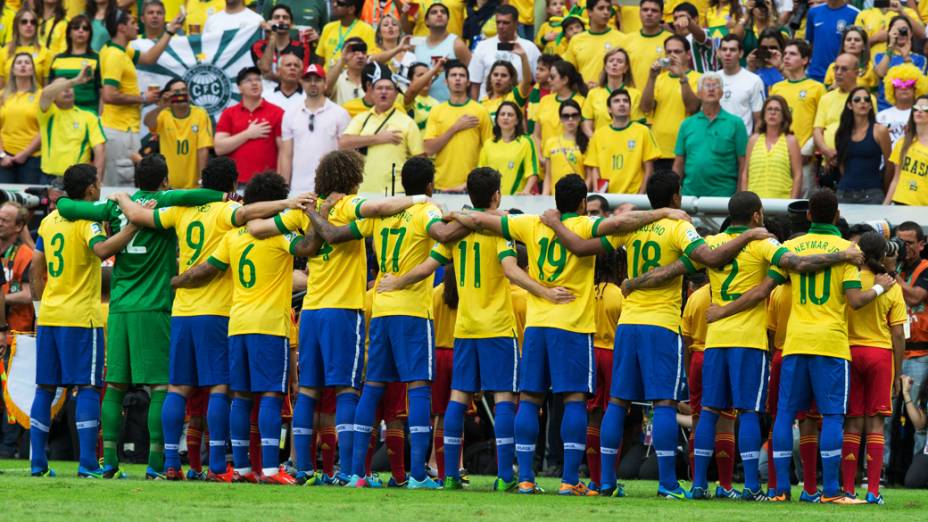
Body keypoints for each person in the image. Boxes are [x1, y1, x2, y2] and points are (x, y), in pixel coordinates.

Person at [451, 174, 686, 496]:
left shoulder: (531, 224)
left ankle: (525, 479)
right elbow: (621, 223)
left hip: (536, 325)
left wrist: (451, 214)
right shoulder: (584, 226)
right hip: (572, 325)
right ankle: (569, 480)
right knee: (573, 399)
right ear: (580, 203)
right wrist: (662, 213)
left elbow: (477, 217)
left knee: (530, 400)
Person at [539, 171, 765, 499]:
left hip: (628, 323)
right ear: (676, 197)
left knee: (617, 402)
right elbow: (713, 258)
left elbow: (580, 246)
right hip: (660, 325)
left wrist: (556, 224)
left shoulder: (633, 225)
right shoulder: (678, 225)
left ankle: (605, 481)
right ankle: (668, 484)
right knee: (663, 403)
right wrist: (749, 235)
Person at [111, 156, 310, 481]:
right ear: (233, 186)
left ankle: (171, 464)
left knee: (177, 388)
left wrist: (121, 197)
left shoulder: (181, 210)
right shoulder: (227, 213)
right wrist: (289, 203)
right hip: (218, 313)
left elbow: (136, 215)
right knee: (221, 388)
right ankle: (218, 465)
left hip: (182, 312)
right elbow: (247, 213)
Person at [377, 167, 576, 490]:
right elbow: (511, 270)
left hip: (465, 327)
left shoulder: (457, 230)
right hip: (496, 327)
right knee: (503, 399)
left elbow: (429, 265)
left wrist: (397, 280)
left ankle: (450, 475)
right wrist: (544, 291)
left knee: (458, 397)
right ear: (496, 195)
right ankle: (505, 476)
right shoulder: (497, 231)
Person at [248, 149, 422, 484]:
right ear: (353, 177)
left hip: (310, 311)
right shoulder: (348, 205)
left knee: (309, 392)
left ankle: (304, 469)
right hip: (343, 312)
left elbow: (256, 229)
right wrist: (421, 197)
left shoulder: (303, 212)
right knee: (345, 391)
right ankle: (350, 471)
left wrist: (292, 206)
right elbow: (383, 207)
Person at [714, 189, 892, 503]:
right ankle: (832, 492)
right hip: (830, 343)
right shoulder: (848, 250)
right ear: (836, 215)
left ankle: (780, 489)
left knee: (785, 415)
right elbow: (854, 300)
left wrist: (723, 311)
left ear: (808, 214)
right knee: (833, 416)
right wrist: (880, 287)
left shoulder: (790, 247)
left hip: (794, 342)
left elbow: (764, 289)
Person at [55, 155, 227, 479]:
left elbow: (65, 208)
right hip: (154, 307)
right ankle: (156, 463)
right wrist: (210, 195)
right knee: (161, 386)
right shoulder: (165, 201)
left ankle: (109, 463)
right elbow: (208, 195)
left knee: (115, 386)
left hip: (119, 308)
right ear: (165, 180)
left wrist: (119, 198)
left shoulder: (116, 206)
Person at [306, 156, 469, 489]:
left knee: (373, 387)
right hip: (411, 311)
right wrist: (471, 218)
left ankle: (356, 473)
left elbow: (335, 235)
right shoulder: (427, 211)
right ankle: (420, 476)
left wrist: (314, 213)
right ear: (428, 186)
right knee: (418, 388)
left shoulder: (381, 215)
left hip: (380, 308)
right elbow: (442, 233)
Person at [169, 172, 318, 484]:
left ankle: (240, 468)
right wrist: (312, 215)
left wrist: (178, 280)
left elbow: (206, 270)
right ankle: (269, 470)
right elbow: (309, 249)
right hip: (269, 325)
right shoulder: (279, 235)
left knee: (242, 397)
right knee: (270, 396)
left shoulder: (232, 238)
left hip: (237, 324)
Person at [28, 164, 137, 479]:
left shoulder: (49, 221)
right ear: (91, 188)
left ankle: (38, 463)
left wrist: (39, 307)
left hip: (49, 315)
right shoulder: (87, 219)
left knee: (45, 388)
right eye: (98, 182)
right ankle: (89, 463)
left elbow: (36, 265)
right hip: (81, 318)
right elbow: (102, 250)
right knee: (88, 387)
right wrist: (132, 228)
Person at [842, 231, 907, 504]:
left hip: (849, 352)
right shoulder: (892, 286)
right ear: (883, 256)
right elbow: (898, 334)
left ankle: (847, 489)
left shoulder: (849, 280)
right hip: (879, 354)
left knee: (853, 423)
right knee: (876, 424)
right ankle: (873, 491)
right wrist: (897, 370)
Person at [100, 8, 183, 186]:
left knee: (126, 183)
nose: (137, 27)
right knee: (118, 187)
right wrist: (143, 98)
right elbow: (108, 94)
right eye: (133, 23)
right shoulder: (115, 56)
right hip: (119, 130)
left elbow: (148, 58)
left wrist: (169, 32)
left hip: (124, 129)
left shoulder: (119, 50)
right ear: (121, 28)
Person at [340, 62, 423, 194]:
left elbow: (420, 160)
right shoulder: (361, 118)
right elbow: (344, 143)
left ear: (396, 94)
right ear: (371, 92)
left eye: (389, 88)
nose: (383, 91)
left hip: (396, 191)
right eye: (379, 88)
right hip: (362, 190)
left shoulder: (407, 122)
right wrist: (378, 138)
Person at [673, 72, 748, 197]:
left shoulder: (736, 123)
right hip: (689, 194)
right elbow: (678, 163)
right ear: (699, 93)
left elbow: (743, 164)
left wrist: (739, 196)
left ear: (722, 93)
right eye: (707, 85)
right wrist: (674, 194)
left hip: (724, 196)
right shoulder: (686, 124)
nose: (712, 89)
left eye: (716, 86)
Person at [280, 63, 350, 194]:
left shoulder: (340, 113)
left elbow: (345, 152)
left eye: (317, 80)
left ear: (325, 83)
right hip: (298, 188)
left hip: (331, 187)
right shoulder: (290, 113)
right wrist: (284, 188)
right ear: (302, 83)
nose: (313, 83)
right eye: (308, 80)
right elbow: (286, 154)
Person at [424, 60, 492, 192]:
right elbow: (428, 149)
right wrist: (455, 128)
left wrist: (479, 180)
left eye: (462, 75)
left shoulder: (480, 110)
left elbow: (489, 150)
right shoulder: (436, 110)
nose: (457, 79)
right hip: (440, 185)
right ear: (446, 81)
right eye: (453, 75)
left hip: (471, 186)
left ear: (468, 82)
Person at [770, 39, 825, 197]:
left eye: (792, 54)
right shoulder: (777, 88)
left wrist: (808, 150)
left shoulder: (817, 88)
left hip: (805, 157)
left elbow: (821, 123)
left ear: (805, 60)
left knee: (802, 203)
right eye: (785, 53)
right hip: (779, 155)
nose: (786, 57)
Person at [214, 66, 285, 185]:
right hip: (235, 184)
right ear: (239, 88)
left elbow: (284, 150)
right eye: (248, 80)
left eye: (257, 79)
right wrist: (248, 134)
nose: (254, 83)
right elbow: (219, 148)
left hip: (268, 183)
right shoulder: (229, 113)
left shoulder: (277, 112)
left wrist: (281, 181)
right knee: (236, 204)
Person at [640, 35, 700, 172]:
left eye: (677, 52)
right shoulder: (659, 79)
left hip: (686, 149)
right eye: (669, 52)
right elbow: (645, 107)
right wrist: (651, 77)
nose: (672, 55)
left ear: (689, 55)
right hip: (659, 149)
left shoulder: (698, 78)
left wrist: (682, 77)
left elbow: (692, 107)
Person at [585, 89, 660, 194]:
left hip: (634, 196)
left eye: (625, 101)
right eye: (617, 101)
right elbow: (595, 169)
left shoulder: (643, 131)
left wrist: (640, 196)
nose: (622, 104)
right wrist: (600, 195)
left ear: (630, 108)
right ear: (609, 109)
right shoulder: (598, 134)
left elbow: (649, 168)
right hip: (607, 197)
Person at [894, 221, 928, 455]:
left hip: (920, 354)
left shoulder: (925, 268)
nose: (904, 248)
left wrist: (890, 275)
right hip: (893, 352)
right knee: (884, 415)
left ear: (922, 244)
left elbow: (916, 298)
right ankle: (881, 471)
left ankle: (920, 467)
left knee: (918, 416)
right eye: (900, 242)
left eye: (909, 243)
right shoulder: (894, 268)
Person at [142, 79, 213, 189]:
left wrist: (201, 180)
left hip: (194, 186)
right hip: (168, 186)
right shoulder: (164, 114)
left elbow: (203, 149)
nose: (181, 94)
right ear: (168, 95)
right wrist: (162, 106)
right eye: (176, 92)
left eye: (184, 90)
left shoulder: (200, 114)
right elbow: (147, 122)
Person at [38, 71, 106, 180]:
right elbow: (45, 94)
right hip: (50, 178)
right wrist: (75, 81)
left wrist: (96, 179)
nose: (67, 89)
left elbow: (99, 150)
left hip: (79, 178)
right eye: (61, 87)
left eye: (70, 86)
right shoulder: (47, 113)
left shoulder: (89, 116)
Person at [833, 86, 892, 204]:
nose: (862, 102)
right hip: (843, 193)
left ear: (871, 105)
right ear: (850, 105)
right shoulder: (842, 133)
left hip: (872, 194)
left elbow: (889, 166)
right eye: (857, 100)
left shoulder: (880, 130)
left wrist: (884, 191)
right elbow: (841, 165)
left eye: (867, 99)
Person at [468, 5, 539, 101]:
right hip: (487, 107)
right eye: (498, 22)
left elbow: (540, 81)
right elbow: (475, 83)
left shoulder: (529, 48)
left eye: (506, 23)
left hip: (516, 107)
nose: (501, 26)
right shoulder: (482, 47)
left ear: (516, 23)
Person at [743, 95, 803, 199]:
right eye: (769, 109)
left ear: (784, 115)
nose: (772, 113)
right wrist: (744, 200)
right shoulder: (753, 140)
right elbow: (745, 174)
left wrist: (791, 203)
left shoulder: (791, 141)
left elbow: (798, 175)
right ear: (764, 114)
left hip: (782, 203)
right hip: (754, 203)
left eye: (777, 110)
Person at [410, 2, 470, 103]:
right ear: (426, 21)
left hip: (450, 104)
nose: (439, 14)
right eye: (434, 12)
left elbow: (472, 74)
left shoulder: (457, 44)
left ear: (448, 19)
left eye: (443, 12)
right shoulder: (417, 45)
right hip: (422, 105)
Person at [477, 101, 539, 194]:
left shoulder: (526, 142)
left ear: (517, 120)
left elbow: (533, 173)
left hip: (516, 199)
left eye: (510, 115)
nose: (505, 117)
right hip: (492, 200)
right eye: (502, 114)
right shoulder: (488, 143)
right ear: (497, 119)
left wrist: (526, 191)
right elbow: (480, 173)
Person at [562, 0, 626, 88]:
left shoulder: (622, 39)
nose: (606, 12)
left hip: (612, 97)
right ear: (589, 12)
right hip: (584, 97)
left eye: (608, 8)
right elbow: (568, 75)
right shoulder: (576, 40)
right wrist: (583, 86)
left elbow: (627, 74)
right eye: (601, 8)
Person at [0, 53, 43, 184]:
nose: (23, 65)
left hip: (32, 157)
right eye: (19, 63)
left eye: (27, 62)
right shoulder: (2, 95)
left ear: (32, 69)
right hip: (4, 157)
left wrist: (26, 153)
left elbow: (44, 129)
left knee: (29, 201)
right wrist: (2, 155)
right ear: (12, 70)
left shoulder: (41, 95)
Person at [582, 48, 643, 136]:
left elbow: (638, 125)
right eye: (611, 61)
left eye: (619, 61)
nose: (614, 64)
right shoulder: (593, 94)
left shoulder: (635, 94)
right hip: (601, 145)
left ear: (626, 68)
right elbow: (586, 122)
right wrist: (594, 140)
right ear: (606, 67)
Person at [531, 60, 586, 158]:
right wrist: (540, 156)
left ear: (565, 80)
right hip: (545, 161)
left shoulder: (582, 102)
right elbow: (536, 134)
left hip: (570, 161)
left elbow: (584, 135)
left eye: (552, 77)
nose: (548, 80)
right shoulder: (544, 100)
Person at [47, 15, 101, 114]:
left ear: (90, 34)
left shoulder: (97, 58)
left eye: (85, 28)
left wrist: (100, 117)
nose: (81, 31)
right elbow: (50, 89)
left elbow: (102, 92)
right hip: (61, 114)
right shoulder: (58, 58)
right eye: (76, 27)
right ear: (69, 33)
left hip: (89, 113)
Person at [874, 14, 927, 110]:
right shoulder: (880, 56)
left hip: (910, 111)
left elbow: (917, 83)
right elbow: (881, 73)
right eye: (896, 30)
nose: (900, 33)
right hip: (884, 110)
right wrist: (891, 46)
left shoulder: (920, 59)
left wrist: (906, 57)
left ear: (911, 34)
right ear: (890, 33)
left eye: (904, 30)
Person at [253, 4, 316, 82]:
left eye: (285, 17)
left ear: (291, 24)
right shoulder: (258, 45)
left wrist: (273, 76)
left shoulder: (302, 48)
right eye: (277, 17)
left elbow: (302, 78)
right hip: (265, 93)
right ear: (269, 22)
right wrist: (272, 37)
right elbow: (265, 69)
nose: (281, 20)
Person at [716, 34, 765, 134]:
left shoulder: (754, 80)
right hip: (715, 142)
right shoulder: (712, 79)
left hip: (742, 143)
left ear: (741, 53)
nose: (728, 53)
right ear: (719, 52)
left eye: (732, 50)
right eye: (724, 49)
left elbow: (759, 120)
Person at [887, 95, 928, 206]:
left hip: (923, 206)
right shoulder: (902, 142)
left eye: (925, 108)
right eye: (916, 108)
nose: (919, 111)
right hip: (900, 201)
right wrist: (885, 205)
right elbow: (896, 178)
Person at [805, 0, 861, 82]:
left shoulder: (855, 13)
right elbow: (810, 42)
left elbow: (859, 44)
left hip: (840, 74)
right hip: (815, 74)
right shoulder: (813, 12)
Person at [624, 0, 673, 90]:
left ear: (662, 15)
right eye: (645, 10)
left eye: (654, 10)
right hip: (632, 98)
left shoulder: (671, 41)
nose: (649, 13)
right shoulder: (627, 40)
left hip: (661, 97)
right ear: (639, 12)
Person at [542, 99, 586, 195]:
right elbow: (548, 175)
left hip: (577, 196)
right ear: (561, 119)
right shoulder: (550, 142)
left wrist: (583, 194)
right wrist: (544, 196)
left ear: (579, 118)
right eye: (566, 116)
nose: (570, 119)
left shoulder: (587, 142)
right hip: (555, 197)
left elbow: (589, 176)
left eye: (574, 115)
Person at [316, 0, 376, 69]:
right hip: (327, 77)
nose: (334, 5)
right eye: (334, 1)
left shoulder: (367, 30)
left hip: (349, 78)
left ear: (351, 9)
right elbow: (320, 59)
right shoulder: (328, 28)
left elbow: (369, 58)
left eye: (340, 3)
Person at [0, 9, 50, 88]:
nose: (29, 25)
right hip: (9, 99)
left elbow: (46, 86)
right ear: (16, 26)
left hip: (36, 98)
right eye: (24, 22)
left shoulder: (45, 52)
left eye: (33, 22)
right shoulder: (4, 52)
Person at [878, 63, 925, 146]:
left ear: (916, 89)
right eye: (898, 84)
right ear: (892, 89)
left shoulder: (922, 115)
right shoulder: (880, 116)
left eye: (909, 84)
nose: (904, 88)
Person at [822, 25, 878, 91]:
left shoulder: (870, 68)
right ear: (843, 45)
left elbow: (874, 97)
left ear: (864, 46)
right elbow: (825, 95)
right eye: (848, 40)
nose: (852, 42)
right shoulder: (833, 67)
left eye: (857, 40)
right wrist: (833, 88)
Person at [326, 36, 367, 105]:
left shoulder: (373, 80)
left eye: (363, 52)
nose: (360, 56)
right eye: (354, 52)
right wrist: (343, 59)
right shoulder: (337, 79)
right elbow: (325, 89)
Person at [746, 28, 785, 93]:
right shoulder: (752, 68)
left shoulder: (789, 69)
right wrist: (750, 68)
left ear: (781, 48)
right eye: (764, 48)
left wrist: (781, 68)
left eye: (773, 48)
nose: (768, 51)